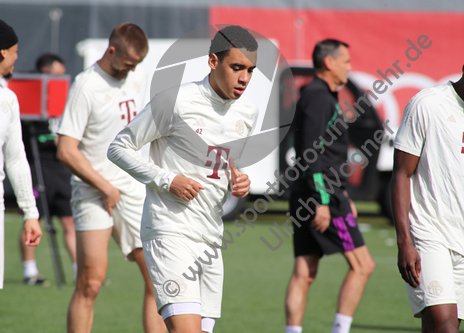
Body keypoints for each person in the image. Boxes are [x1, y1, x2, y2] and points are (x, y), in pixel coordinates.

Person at [107, 25, 258, 333]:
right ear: (213, 62)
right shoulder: (176, 101)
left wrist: (238, 180)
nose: (244, 78)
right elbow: (118, 148)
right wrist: (167, 179)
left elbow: (226, 163)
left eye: (251, 70)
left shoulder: (249, 111)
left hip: (211, 238)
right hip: (170, 231)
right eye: (237, 67)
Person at [56, 23, 165, 332]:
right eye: (129, 63)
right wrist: (104, 186)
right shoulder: (85, 85)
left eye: (137, 65)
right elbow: (66, 150)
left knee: (158, 279)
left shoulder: (137, 75)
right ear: (112, 50)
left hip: (132, 189)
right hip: (93, 192)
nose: (132, 70)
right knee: (91, 282)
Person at [284, 39, 375, 333]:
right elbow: (310, 152)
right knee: (363, 266)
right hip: (321, 197)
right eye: (346, 61)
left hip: (316, 194)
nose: (349, 67)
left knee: (305, 272)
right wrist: (323, 200)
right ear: (329, 63)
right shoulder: (319, 97)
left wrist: (342, 194)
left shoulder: (321, 95)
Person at [391, 66, 464, 332]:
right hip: (430, 233)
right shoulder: (428, 104)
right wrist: (404, 241)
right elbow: (401, 174)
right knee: (445, 326)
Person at [19, 53, 76, 286]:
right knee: (34, 219)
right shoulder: (29, 98)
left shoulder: (65, 99)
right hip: (37, 167)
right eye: (55, 75)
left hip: (62, 169)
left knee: (69, 222)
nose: (59, 80)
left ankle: (77, 270)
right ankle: (30, 272)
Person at [0, 19, 43, 289]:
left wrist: (30, 213)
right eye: (15, 50)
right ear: (3, 52)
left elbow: (16, 159)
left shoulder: (7, 98)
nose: (17, 57)